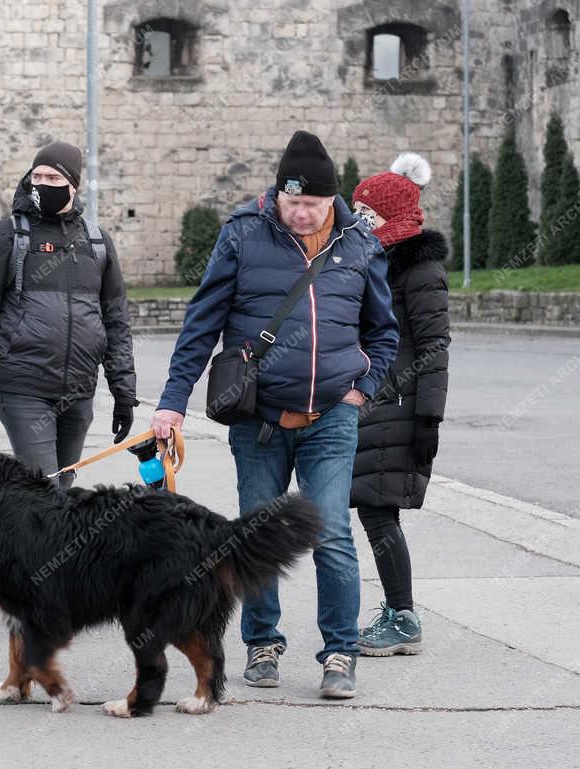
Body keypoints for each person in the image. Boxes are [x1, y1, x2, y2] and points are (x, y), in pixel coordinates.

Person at [151, 130, 399, 699]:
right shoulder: (243, 233)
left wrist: (364, 388)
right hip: (259, 418)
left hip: (332, 414)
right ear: (277, 195)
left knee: (332, 533)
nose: (300, 215)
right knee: (258, 533)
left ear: (331, 200)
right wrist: (171, 401)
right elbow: (201, 322)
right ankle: (263, 641)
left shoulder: (360, 242)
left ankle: (340, 652)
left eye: (311, 205)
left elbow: (385, 332)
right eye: (291, 204)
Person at [0, 141, 138, 484]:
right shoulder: (7, 236)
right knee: (46, 491)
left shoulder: (97, 241)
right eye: (37, 176)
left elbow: (116, 322)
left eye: (52, 176)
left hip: (79, 390)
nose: (43, 184)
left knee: (61, 493)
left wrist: (124, 391)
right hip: (24, 387)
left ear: (73, 184)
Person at [350, 154, 450, 656]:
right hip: (377, 402)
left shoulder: (418, 266)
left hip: (402, 404)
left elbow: (434, 345)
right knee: (374, 509)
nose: (358, 221)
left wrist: (430, 417)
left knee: (378, 510)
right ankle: (398, 611)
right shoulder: (376, 258)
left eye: (367, 214)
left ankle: (403, 616)